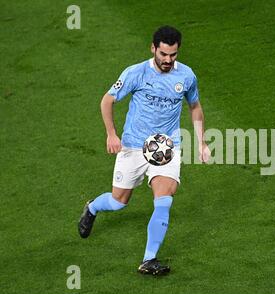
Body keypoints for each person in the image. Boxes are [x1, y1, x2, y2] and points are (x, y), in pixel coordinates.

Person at [78, 25, 210, 276]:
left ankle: (149, 259)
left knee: (164, 199)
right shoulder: (136, 73)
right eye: (163, 54)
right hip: (133, 146)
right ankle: (93, 207)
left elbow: (195, 107)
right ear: (153, 48)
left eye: (173, 55)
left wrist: (201, 142)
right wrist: (111, 134)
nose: (168, 60)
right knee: (119, 202)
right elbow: (107, 100)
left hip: (166, 148)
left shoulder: (186, 76)